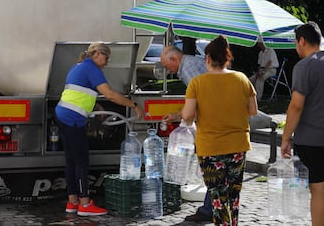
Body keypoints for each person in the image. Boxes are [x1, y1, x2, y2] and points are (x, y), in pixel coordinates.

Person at [55, 42, 144, 216]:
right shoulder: (92, 69)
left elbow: (80, 92)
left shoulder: (78, 66)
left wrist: (95, 107)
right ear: (96, 54)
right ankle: (85, 205)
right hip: (73, 119)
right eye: (106, 57)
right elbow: (110, 94)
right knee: (81, 162)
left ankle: (72, 203)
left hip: (62, 115)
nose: (107, 62)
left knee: (71, 161)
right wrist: (134, 105)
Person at [181, 35, 258, 225]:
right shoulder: (242, 79)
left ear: (207, 58)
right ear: (227, 58)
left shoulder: (197, 83)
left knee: (218, 198)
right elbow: (253, 110)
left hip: (210, 147)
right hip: (238, 145)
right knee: (233, 196)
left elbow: (188, 116)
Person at [280, 22, 324, 226]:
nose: (296, 47)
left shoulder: (304, 66)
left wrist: (285, 138)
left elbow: (296, 106)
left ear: (302, 41)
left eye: (296, 42)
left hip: (311, 139)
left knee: (317, 188)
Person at [160, 45, 213, 222]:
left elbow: (199, 99)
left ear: (174, 59)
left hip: (212, 127)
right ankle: (210, 208)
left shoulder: (189, 68)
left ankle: (209, 209)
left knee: (212, 168)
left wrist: (184, 118)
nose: (169, 71)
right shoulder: (190, 65)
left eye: (168, 66)